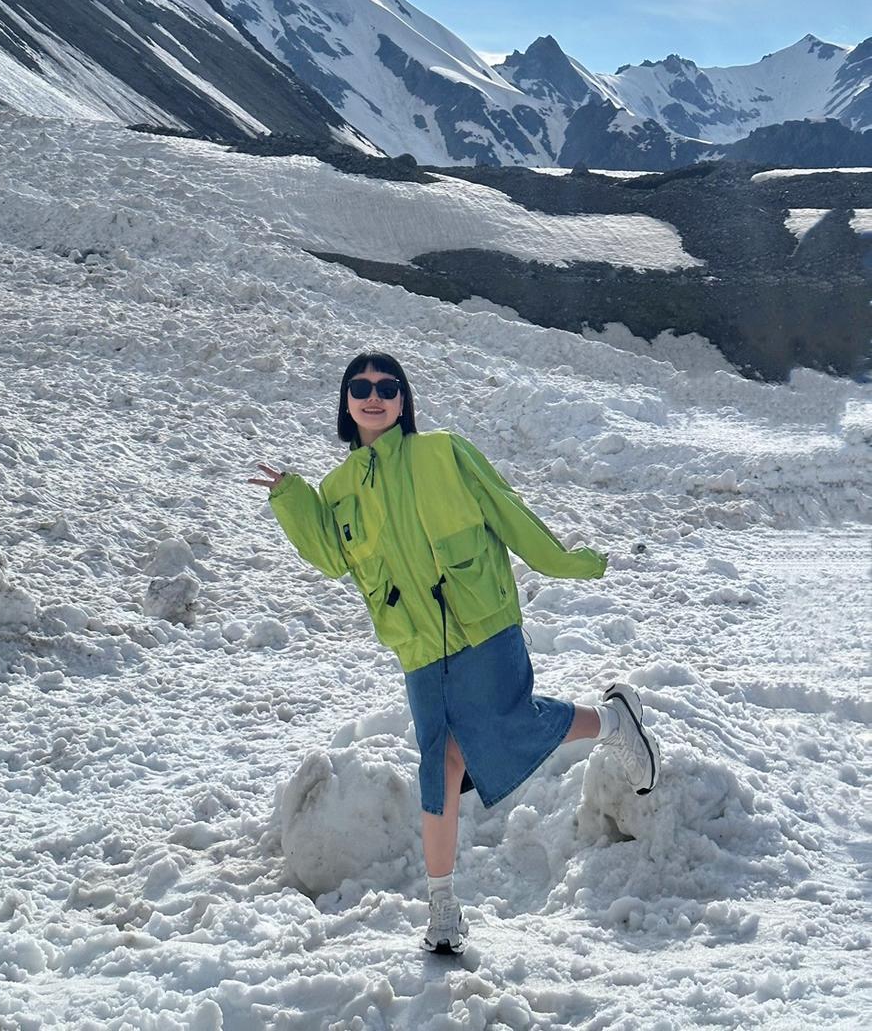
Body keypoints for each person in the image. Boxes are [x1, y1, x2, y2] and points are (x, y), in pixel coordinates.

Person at [249, 351, 660, 955]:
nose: (374, 395)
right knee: (440, 765)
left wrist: (570, 561)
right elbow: (333, 557)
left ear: (403, 400)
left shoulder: (443, 452)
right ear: (346, 401)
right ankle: (442, 908)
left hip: (482, 623)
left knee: (506, 725)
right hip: (416, 647)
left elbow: (507, 512)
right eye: (360, 387)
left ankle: (614, 721)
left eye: (388, 386)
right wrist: (294, 499)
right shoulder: (338, 489)